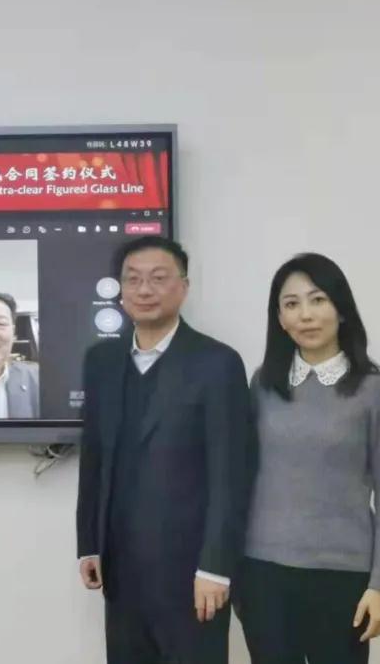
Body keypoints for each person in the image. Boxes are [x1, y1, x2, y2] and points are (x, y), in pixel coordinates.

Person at [75, 236, 255, 664]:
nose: (144, 290)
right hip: (121, 570)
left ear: (183, 287)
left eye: (158, 278)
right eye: (133, 279)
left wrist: (216, 566)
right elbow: (94, 457)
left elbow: (231, 472)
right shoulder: (101, 361)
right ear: (120, 290)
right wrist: (89, 543)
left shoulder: (217, 363)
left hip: (192, 574)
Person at [236, 253, 380, 663]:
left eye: (318, 300)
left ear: (341, 310)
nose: (306, 315)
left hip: (342, 576)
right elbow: (241, 475)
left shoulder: (375, 388)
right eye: (291, 304)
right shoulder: (263, 383)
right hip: (262, 572)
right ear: (280, 318)